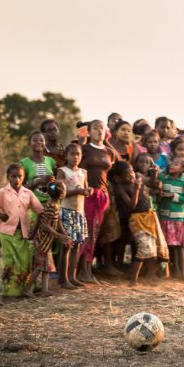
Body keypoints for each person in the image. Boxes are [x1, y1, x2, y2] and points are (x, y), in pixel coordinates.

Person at [0, 164, 45, 301]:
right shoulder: (3, 192)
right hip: (7, 233)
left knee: (24, 262)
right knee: (10, 262)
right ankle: (8, 293)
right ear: (8, 177)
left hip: (23, 234)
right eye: (13, 176)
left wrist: (34, 231)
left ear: (24, 177)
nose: (16, 179)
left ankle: (24, 290)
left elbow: (40, 211)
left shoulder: (28, 193)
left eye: (19, 176)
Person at [79, 120, 118, 283]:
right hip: (87, 194)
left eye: (102, 128)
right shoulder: (84, 149)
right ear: (89, 131)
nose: (99, 131)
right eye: (95, 128)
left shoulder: (109, 151)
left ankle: (88, 270)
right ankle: (82, 271)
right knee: (86, 233)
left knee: (96, 233)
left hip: (103, 196)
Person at [25, 182, 74, 296]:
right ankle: (27, 289)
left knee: (46, 265)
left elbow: (58, 221)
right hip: (42, 240)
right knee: (40, 266)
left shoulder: (55, 204)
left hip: (46, 241)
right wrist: (59, 235)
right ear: (62, 194)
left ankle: (44, 289)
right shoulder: (52, 206)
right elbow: (46, 225)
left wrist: (64, 234)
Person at [56, 143, 91, 288]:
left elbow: (85, 189)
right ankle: (63, 279)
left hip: (79, 213)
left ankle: (72, 276)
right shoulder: (63, 171)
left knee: (77, 246)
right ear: (66, 156)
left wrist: (88, 191)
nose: (75, 157)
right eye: (72, 154)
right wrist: (78, 191)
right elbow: (60, 193)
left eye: (78, 154)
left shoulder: (83, 172)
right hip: (66, 212)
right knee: (67, 247)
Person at [158, 157, 184, 280]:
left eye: (176, 164)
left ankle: (182, 273)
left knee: (179, 247)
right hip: (164, 216)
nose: (172, 164)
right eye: (172, 162)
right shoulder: (162, 178)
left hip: (177, 218)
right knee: (164, 247)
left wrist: (173, 195)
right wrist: (159, 194)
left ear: (182, 169)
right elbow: (157, 192)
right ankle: (163, 272)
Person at [19, 131, 57, 209]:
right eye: (35, 140)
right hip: (32, 205)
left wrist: (52, 185)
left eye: (41, 140)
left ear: (45, 143)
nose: (39, 142)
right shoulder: (24, 163)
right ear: (29, 144)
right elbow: (20, 188)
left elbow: (55, 183)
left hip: (51, 205)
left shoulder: (51, 161)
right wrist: (37, 182)